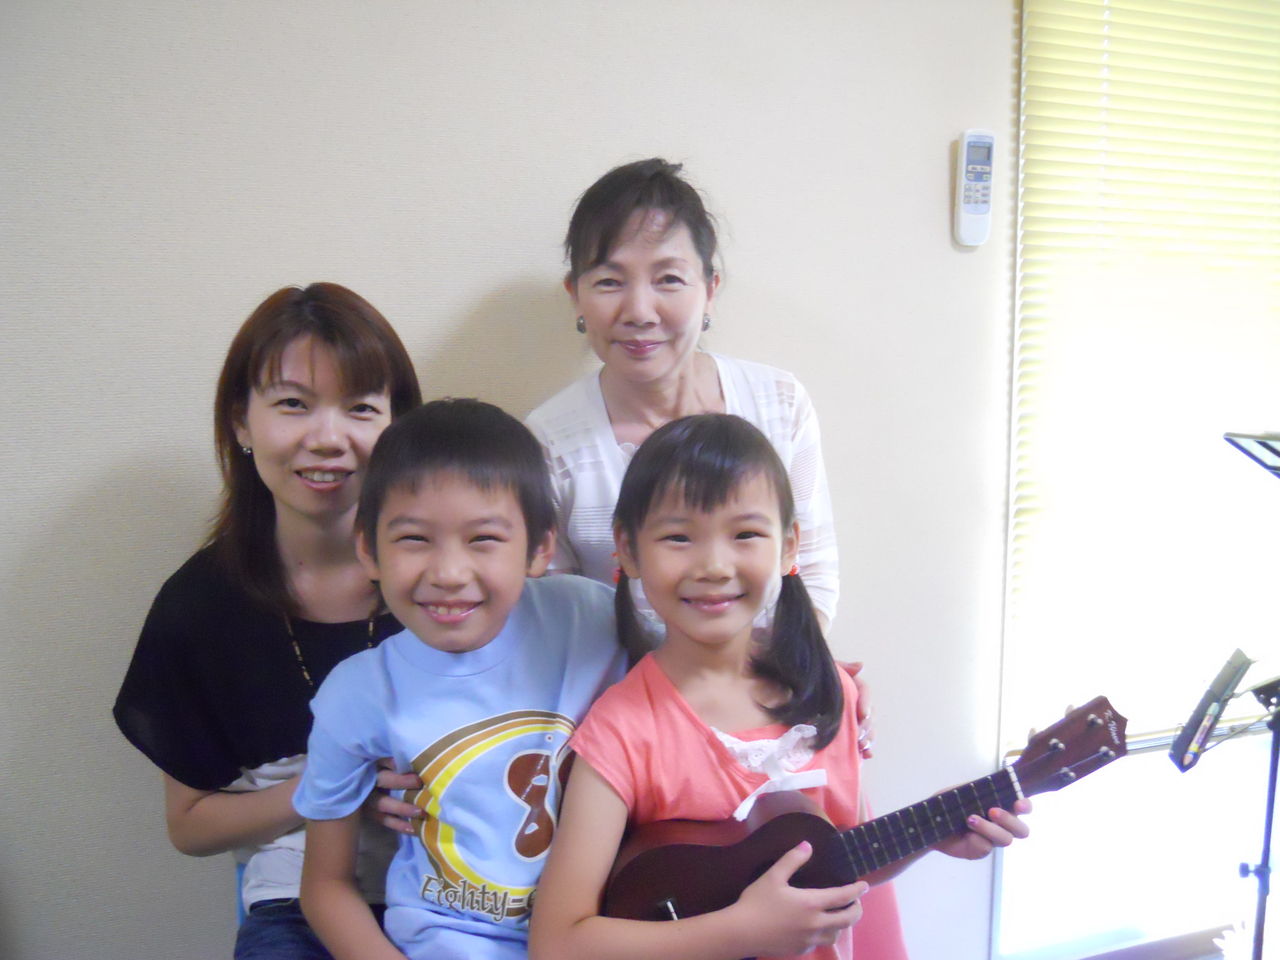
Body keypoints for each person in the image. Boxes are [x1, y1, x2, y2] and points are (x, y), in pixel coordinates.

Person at [528, 414, 1031, 960]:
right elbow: (558, 943)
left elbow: (833, 867)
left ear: (790, 546)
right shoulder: (622, 731)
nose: (714, 565)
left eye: (745, 534)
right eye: (678, 537)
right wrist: (741, 931)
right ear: (627, 549)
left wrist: (930, 834)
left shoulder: (826, 692)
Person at [113, 283, 424, 959]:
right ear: (241, 424)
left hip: (457, 889)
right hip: (294, 901)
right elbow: (190, 826)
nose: (328, 438)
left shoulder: (448, 580)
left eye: (361, 408)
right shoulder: (200, 608)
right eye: (293, 404)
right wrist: (333, 786)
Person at [293, 399, 628, 960]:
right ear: (368, 548)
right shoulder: (356, 694)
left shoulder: (592, 619)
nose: (448, 573)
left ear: (540, 548)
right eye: (414, 539)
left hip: (600, 932)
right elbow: (325, 887)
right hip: (448, 942)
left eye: (483, 539)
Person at [525, 157, 838, 629]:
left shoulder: (779, 402)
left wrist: (797, 667)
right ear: (576, 296)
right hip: (620, 676)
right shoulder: (549, 440)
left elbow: (811, 571)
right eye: (609, 282)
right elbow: (559, 613)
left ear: (710, 289)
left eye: (668, 279)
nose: (639, 311)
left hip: (767, 668)